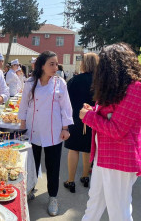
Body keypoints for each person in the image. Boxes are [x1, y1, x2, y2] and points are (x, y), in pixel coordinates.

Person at [80, 43, 141, 221]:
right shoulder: (117, 87)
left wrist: (89, 117)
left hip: (120, 159)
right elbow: (109, 116)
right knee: (94, 205)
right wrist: (93, 111)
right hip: (104, 157)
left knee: (119, 213)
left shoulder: (137, 89)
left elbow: (117, 130)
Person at [18, 51, 73, 216]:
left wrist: (65, 128)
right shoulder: (30, 82)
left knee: (53, 167)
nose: (55, 67)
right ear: (42, 65)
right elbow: (23, 106)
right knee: (31, 165)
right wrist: (22, 127)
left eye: (56, 64)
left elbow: (66, 108)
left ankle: (53, 197)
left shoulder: (60, 83)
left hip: (54, 132)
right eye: (52, 64)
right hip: (33, 131)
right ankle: (29, 190)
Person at [63, 52, 99, 193]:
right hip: (93, 118)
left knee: (74, 149)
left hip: (76, 118)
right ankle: (85, 176)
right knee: (87, 148)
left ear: (83, 63)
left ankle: (71, 180)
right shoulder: (100, 82)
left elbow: (66, 101)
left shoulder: (74, 80)